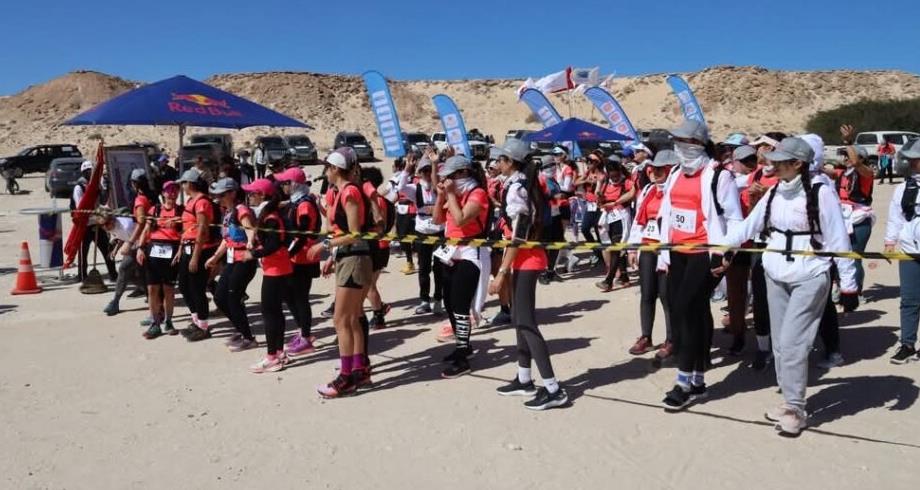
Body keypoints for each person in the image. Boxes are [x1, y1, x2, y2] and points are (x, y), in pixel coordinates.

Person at [724, 136, 858, 436]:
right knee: (780, 344)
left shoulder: (821, 193)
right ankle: (789, 400)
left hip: (810, 274)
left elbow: (838, 239)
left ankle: (797, 408)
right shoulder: (774, 193)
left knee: (794, 342)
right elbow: (748, 226)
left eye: (780, 160)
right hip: (775, 273)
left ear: (797, 164)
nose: (772, 164)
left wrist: (849, 285)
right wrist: (714, 245)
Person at [657, 120, 742, 411]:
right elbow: (668, 213)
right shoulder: (673, 174)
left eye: (686, 141)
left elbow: (734, 219)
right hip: (677, 251)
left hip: (704, 252)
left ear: (699, 143)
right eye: (676, 141)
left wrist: (724, 253)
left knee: (684, 310)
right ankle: (698, 379)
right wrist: (663, 252)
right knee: (687, 312)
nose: (680, 147)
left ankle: (683, 383)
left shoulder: (719, 176)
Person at [489, 141, 569, 410]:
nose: (496, 163)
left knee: (526, 324)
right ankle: (524, 378)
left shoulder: (517, 190)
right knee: (520, 322)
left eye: (500, 159)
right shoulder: (520, 185)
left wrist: (500, 274)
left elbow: (518, 237)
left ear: (510, 162)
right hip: (523, 260)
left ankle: (553, 388)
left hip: (527, 260)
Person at [308, 150, 374, 397]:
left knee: (341, 320)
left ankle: (346, 376)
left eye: (327, 166)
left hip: (355, 256)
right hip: (349, 256)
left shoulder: (349, 191)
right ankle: (359, 368)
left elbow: (355, 232)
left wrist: (325, 246)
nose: (325, 170)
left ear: (335, 169)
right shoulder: (341, 192)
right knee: (354, 316)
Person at [432, 154, 490, 378]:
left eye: (450, 178)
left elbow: (461, 219)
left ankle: (462, 356)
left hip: (470, 252)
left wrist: (449, 195)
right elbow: (438, 220)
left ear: (462, 174)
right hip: (450, 252)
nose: (447, 182)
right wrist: (441, 197)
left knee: (460, 305)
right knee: (449, 303)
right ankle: (462, 346)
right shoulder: (454, 194)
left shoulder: (478, 193)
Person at [239, 179, 296, 373]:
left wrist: (253, 254)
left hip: (276, 270)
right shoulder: (272, 214)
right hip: (278, 268)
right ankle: (279, 353)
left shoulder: (271, 217)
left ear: (262, 195)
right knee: (275, 313)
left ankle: (272, 356)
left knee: (270, 314)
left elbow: (274, 245)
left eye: (252, 193)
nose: (249, 196)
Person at [626, 150, 676, 361]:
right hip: (647, 246)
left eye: (660, 169)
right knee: (647, 294)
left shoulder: (674, 190)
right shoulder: (647, 190)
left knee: (666, 296)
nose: (655, 172)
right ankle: (646, 336)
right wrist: (632, 248)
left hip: (667, 249)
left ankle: (671, 339)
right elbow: (639, 219)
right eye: (653, 168)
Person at [206, 178, 259, 352]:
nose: (218, 199)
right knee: (220, 297)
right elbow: (226, 240)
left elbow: (250, 228)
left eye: (221, 195)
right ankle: (241, 329)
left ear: (232, 193)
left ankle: (248, 338)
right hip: (231, 258)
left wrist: (251, 241)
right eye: (216, 196)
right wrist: (215, 257)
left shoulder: (241, 210)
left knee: (233, 298)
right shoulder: (228, 212)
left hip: (244, 259)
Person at [277, 167, 323, 358]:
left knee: (300, 297)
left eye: (286, 183)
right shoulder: (297, 201)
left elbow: (302, 235)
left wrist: (287, 253)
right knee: (289, 294)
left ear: (294, 184)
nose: (283, 186)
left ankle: (306, 336)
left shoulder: (304, 205)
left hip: (303, 257)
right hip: (296, 256)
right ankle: (303, 330)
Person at [396, 152, 445, 316]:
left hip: (439, 232)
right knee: (423, 268)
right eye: (424, 171)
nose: (427, 174)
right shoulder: (415, 188)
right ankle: (425, 300)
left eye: (429, 170)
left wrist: (434, 165)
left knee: (440, 268)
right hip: (422, 232)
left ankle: (438, 299)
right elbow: (400, 188)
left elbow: (438, 183)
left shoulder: (439, 186)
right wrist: (407, 168)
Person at [885, 138, 920, 364]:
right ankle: (907, 344)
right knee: (909, 299)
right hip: (910, 250)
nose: (910, 163)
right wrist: (890, 241)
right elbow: (895, 216)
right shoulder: (903, 188)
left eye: (914, 160)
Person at [176, 168, 220, 342]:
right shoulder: (192, 201)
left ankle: (203, 325)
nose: (182, 186)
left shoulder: (202, 202)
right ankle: (196, 319)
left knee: (197, 288)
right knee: (184, 285)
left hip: (199, 249)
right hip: (188, 247)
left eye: (184, 183)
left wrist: (195, 256)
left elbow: (202, 230)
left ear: (190, 184)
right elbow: (189, 227)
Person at [103, 168, 155, 315]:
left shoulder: (140, 200)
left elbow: (140, 224)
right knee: (139, 274)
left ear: (134, 184)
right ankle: (151, 295)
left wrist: (131, 244)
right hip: (149, 239)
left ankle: (115, 302)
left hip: (142, 241)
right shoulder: (152, 196)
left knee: (124, 269)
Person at [136, 181, 182, 338]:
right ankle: (155, 322)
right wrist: (140, 248)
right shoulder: (155, 210)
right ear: (163, 193)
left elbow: (186, 233)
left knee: (168, 288)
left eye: (175, 190)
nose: (172, 193)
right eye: (169, 190)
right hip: (153, 250)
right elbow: (146, 229)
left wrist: (180, 251)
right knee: (152, 289)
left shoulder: (182, 211)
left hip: (172, 250)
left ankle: (169, 321)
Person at [834, 124, 876, 298]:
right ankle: (841, 287)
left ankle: (856, 291)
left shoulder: (866, 172)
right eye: (844, 155)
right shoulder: (842, 173)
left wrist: (848, 141)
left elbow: (857, 163)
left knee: (854, 256)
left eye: (847, 155)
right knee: (838, 255)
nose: (845, 158)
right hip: (842, 216)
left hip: (859, 218)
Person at [594, 156, 635, 292]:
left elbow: (632, 194)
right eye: (612, 176)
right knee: (614, 247)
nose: (614, 179)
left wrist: (616, 202)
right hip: (609, 217)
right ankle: (624, 277)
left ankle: (609, 280)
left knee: (617, 248)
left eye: (616, 176)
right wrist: (600, 196)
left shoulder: (627, 182)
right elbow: (600, 200)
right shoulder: (606, 182)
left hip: (621, 217)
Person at [72, 160, 117, 282]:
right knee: (83, 252)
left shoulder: (97, 185)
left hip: (98, 223)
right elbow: (80, 207)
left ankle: (113, 274)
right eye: (89, 171)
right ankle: (82, 276)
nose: (91, 173)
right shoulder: (79, 187)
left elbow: (102, 201)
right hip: (85, 225)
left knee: (106, 249)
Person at [576, 150, 607, 267]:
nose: (588, 163)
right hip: (589, 205)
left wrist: (597, 184)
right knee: (585, 229)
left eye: (591, 161)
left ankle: (602, 256)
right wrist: (586, 180)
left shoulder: (602, 175)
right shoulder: (588, 172)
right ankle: (598, 253)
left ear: (597, 163)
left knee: (599, 232)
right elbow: (576, 182)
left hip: (598, 205)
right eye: (587, 161)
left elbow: (598, 192)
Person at [392, 156, 417, 275]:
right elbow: (397, 193)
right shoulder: (401, 178)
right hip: (401, 210)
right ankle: (409, 261)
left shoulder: (416, 179)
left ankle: (421, 260)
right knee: (402, 237)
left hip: (412, 210)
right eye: (403, 166)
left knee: (416, 239)